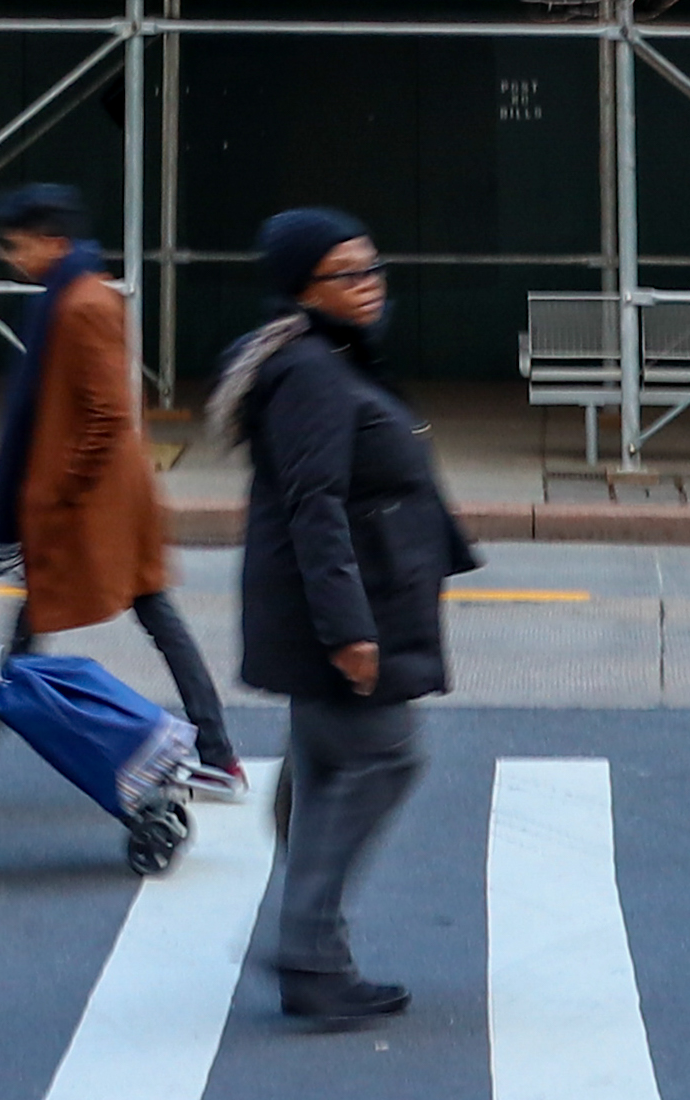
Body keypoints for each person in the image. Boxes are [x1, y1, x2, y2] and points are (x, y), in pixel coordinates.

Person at [214, 206, 473, 1028]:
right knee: (381, 762)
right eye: (348, 275)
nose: (369, 287)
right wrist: (348, 632)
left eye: (372, 269)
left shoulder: (329, 359)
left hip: (358, 600)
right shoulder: (315, 374)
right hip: (344, 611)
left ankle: (314, 951)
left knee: (330, 765)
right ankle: (307, 949)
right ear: (305, 289)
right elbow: (313, 506)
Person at [0, 182, 241, 805]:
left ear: (54, 242)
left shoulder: (81, 304)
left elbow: (106, 414)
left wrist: (56, 492)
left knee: (38, 631)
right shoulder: (67, 297)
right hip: (103, 504)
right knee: (143, 616)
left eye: (20, 247)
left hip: (89, 508)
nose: (15, 260)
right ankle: (219, 752)